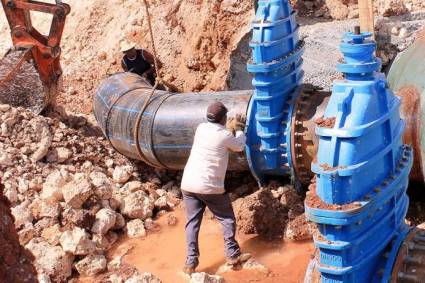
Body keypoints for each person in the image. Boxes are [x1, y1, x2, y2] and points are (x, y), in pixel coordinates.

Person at [180, 102, 251, 275]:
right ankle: (233, 255)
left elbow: (218, 132)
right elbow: (239, 146)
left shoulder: (201, 128)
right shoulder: (224, 135)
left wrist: (227, 128)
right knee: (227, 219)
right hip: (209, 187)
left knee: (192, 223)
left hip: (188, 184)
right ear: (224, 119)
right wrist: (239, 129)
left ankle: (190, 263)